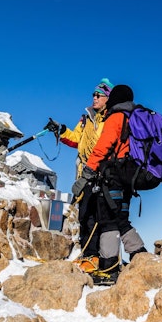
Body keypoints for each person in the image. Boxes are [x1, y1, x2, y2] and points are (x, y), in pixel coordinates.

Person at [72, 83, 148, 285]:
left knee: (107, 221)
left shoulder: (116, 117)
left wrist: (87, 173)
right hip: (129, 178)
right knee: (121, 219)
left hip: (113, 176)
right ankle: (141, 256)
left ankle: (109, 269)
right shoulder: (134, 117)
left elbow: (102, 147)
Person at [49, 78, 113, 254]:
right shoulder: (86, 119)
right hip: (84, 175)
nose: (94, 97)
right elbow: (76, 139)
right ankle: (89, 256)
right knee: (85, 216)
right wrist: (61, 130)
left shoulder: (111, 119)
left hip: (102, 175)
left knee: (101, 217)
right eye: (93, 94)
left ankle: (103, 258)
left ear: (108, 97)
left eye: (99, 95)